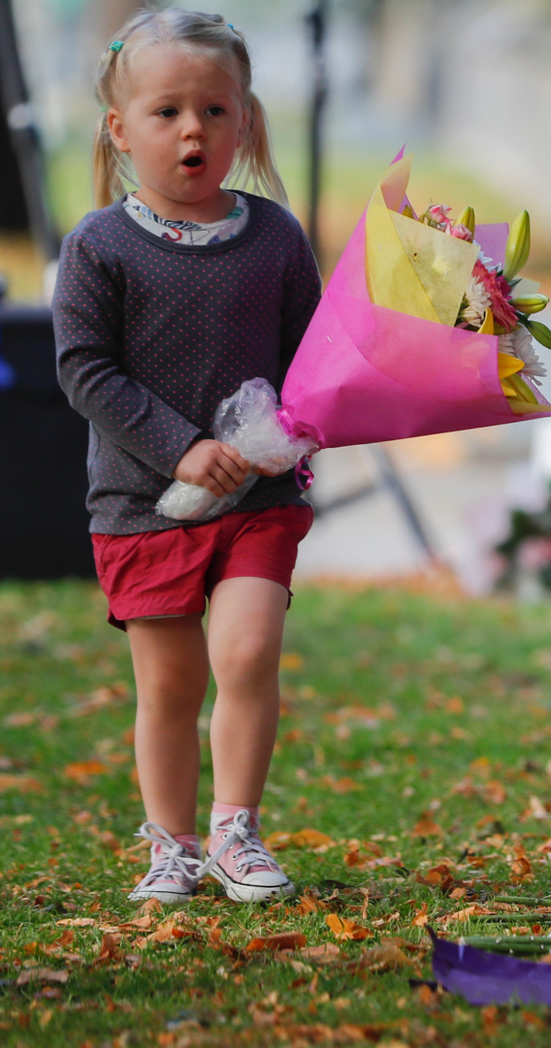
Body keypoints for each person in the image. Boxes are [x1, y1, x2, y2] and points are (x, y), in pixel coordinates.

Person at [54, 9, 321, 905]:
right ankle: (171, 846)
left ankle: (236, 832)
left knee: (246, 654)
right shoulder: (98, 247)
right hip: (142, 503)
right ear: (120, 129)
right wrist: (182, 449)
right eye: (166, 112)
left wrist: (301, 429)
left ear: (244, 120)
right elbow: (85, 370)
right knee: (170, 686)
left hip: (259, 498)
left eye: (214, 109)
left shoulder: (277, 237)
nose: (192, 130)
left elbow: (311, 360)